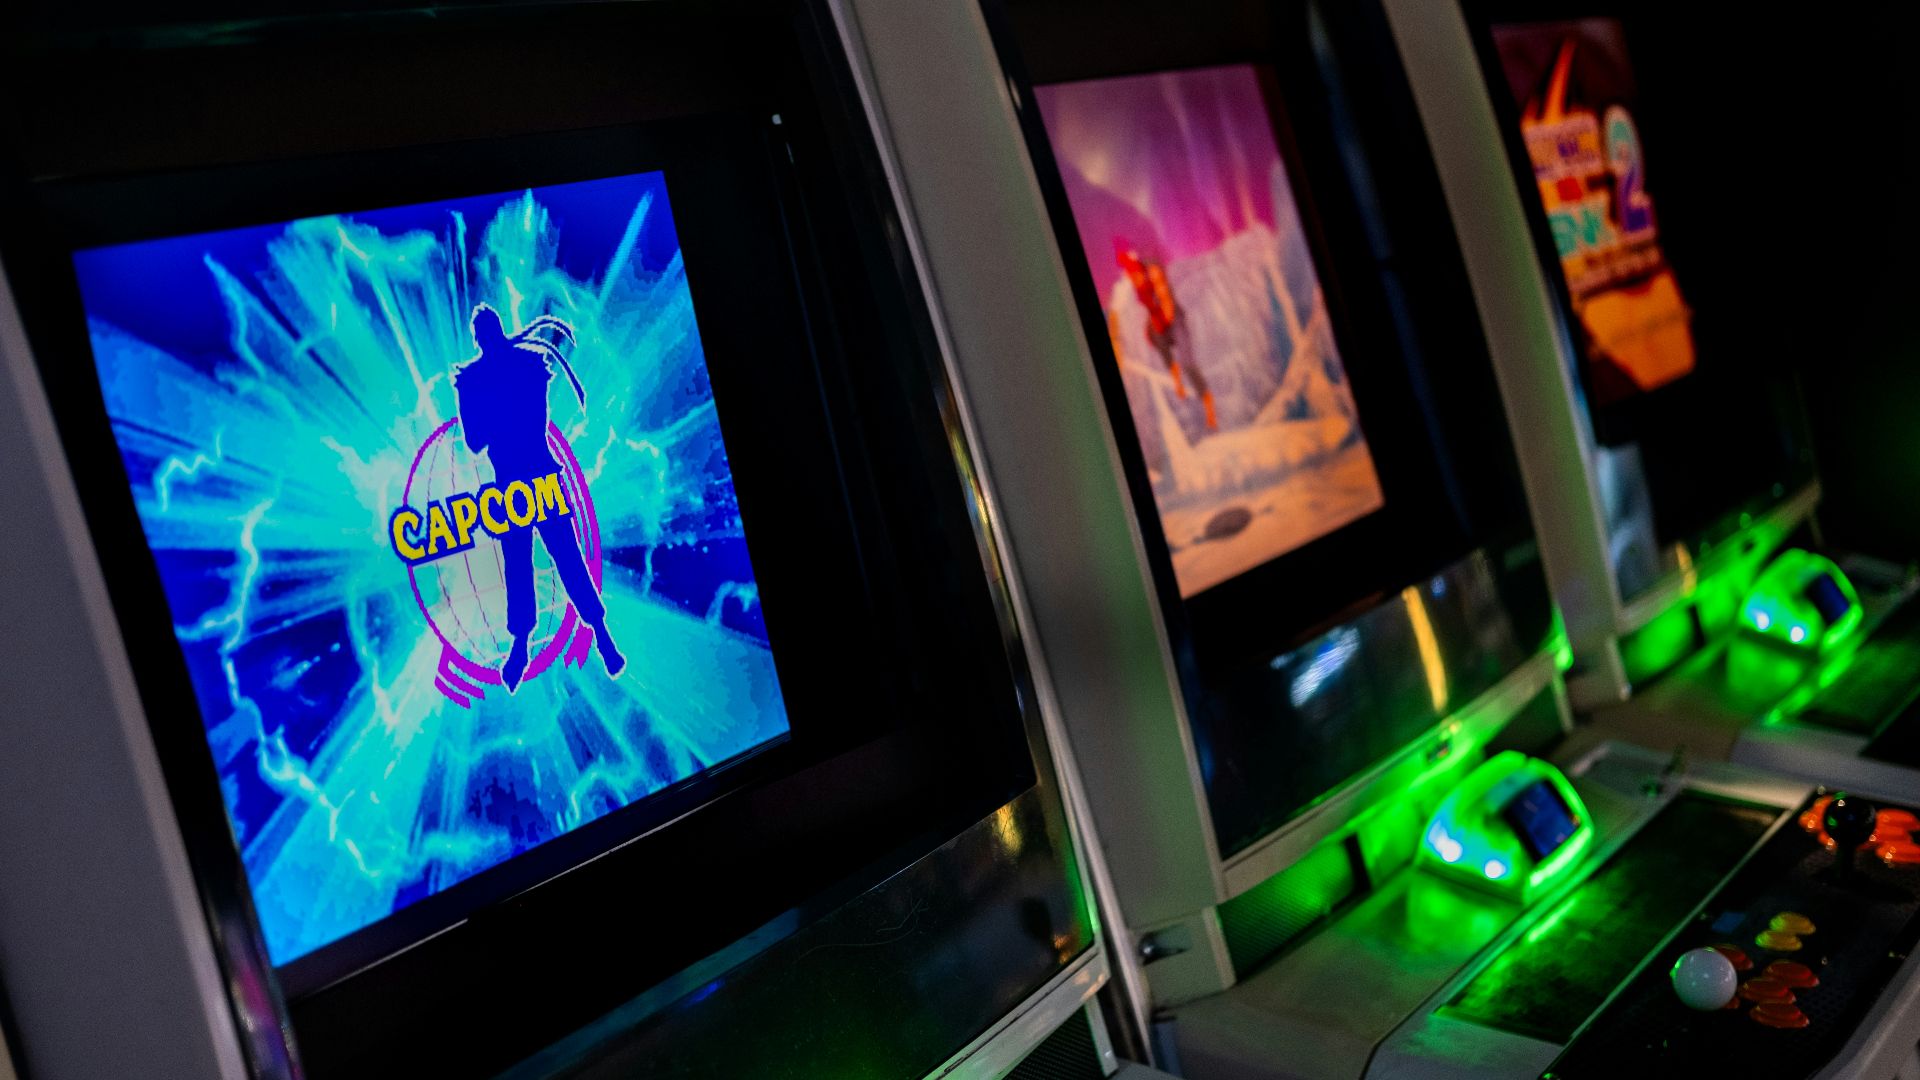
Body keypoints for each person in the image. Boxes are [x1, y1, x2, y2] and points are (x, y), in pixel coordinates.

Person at [454, 303, 625, 692]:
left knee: (563, 556)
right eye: (485, 335)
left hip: (534, 478)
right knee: (523, 563)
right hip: (515, 484)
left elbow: (529, 423)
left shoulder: (522, 369)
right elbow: (475, 440)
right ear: (483, 338)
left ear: (490, 334)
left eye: (489, 332)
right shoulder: (486, 378)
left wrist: (495, 408)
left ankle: (599, 635)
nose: (488, 340)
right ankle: (527, 645)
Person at [1116, 239, 1217, 430]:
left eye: (1134, 273)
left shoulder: (1151, 272)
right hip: (1160, 323)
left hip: (1173, 319)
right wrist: (1155, 325)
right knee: (1157, 339)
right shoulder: (1139, 288)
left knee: (1188, 363)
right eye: (1130, 274)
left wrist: (1165, 315)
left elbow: (1165, 300)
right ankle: (1178, 380)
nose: (1133, 277)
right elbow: (1150, 309)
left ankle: (1208, 403)